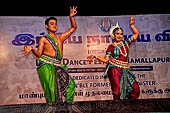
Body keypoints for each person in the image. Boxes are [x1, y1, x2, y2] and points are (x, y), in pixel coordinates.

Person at [23, 6, 77, 104]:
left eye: (55, 24)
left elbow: (73, 28)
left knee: (71, 85)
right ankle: (52, 109)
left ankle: (68, 107)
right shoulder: (44, 39)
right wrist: (31, 49)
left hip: (58, 65)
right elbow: (39, 54)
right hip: (46, 64)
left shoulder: (61, 37)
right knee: (52, 90)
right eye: (52, 24)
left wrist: (71, 17)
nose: (54, 26)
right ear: (46, 26)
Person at [87, 16, 140, 100]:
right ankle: (117, 108)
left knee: (135, 89)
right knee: (117, 91)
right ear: (113, 35)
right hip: (114, 69)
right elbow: (106, 60)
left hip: (125, 70)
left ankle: (128, 107)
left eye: (121, 34)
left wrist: (131, 25)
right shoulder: (110, 47)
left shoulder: (126, 42)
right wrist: (95, 56)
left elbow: (136, 34)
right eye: (117, 34)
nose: (120, 36)